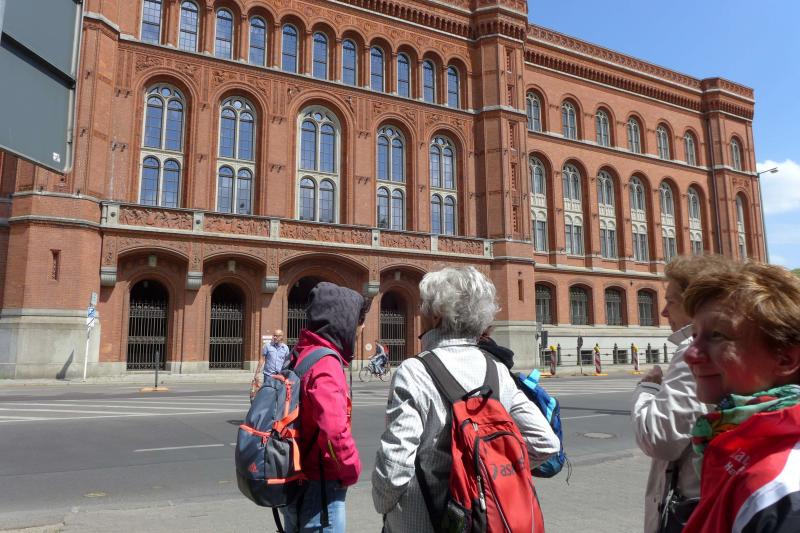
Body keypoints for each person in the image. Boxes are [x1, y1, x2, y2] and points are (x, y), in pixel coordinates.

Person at [372, 266, 560, 531]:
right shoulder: (496, 369)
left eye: (423, 305)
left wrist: (383, 505)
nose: (419, 311)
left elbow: (394, 470)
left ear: (436, 315)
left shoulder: (414, 371)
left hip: (422, 521)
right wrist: (489, 472)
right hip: (483, 521)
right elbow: (545, 443)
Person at [681, 260, 800, 532]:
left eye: (717, 335)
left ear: (785, 358)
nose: (690, 354)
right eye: (694, 335)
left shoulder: (780, 486)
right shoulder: (737, 447)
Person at [631, 255, 733, 533]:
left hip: (692, 509)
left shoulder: (692, 350)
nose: (664, 312)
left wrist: (648, 388)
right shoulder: (725, 343)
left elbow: (660, 439)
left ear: (695, 303)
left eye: (671, 301)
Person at [281, 282, 367, 533]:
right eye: (359, 321)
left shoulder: (301, 352)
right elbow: (333, 431)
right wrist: (350, 470)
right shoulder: (326, 364)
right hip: (321, 486)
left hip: (296, 479)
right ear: (344, 321)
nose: (361, 329)